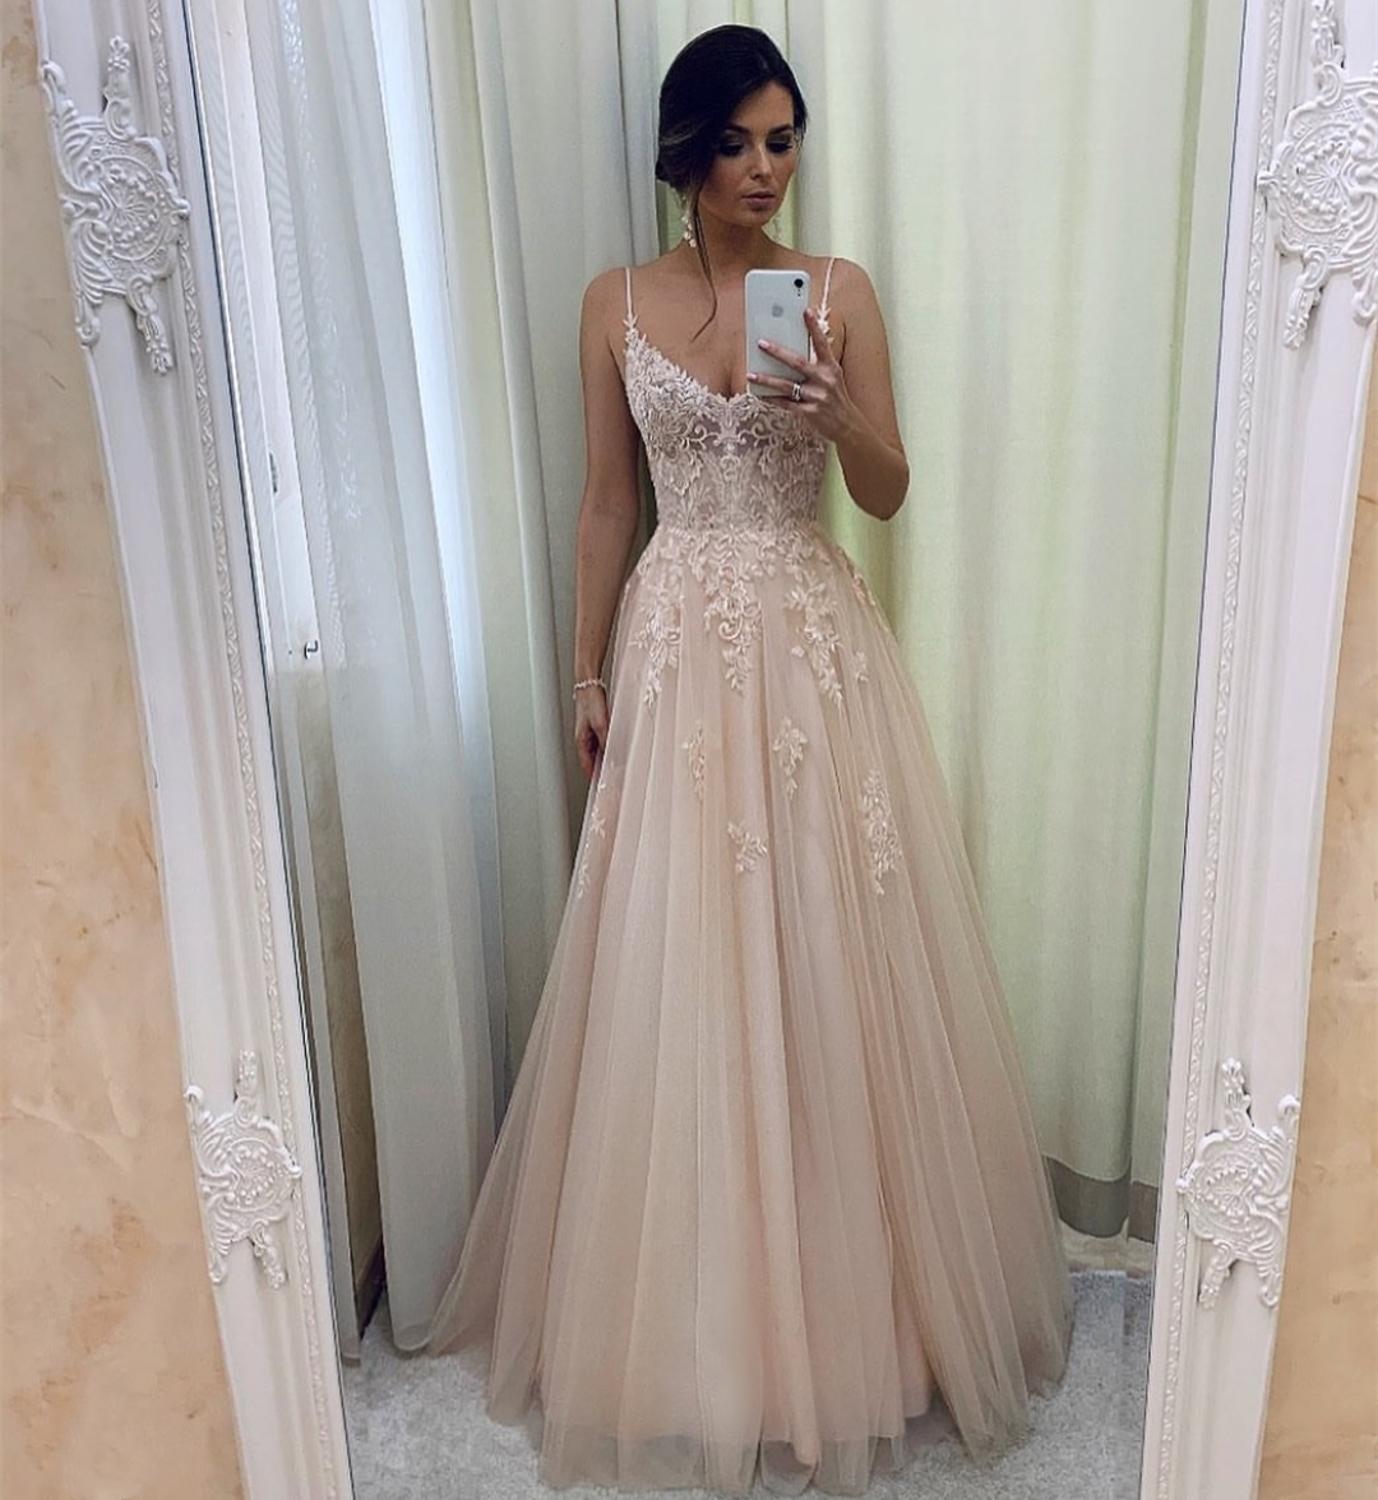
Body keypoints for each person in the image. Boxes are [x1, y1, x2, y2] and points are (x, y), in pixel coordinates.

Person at [427, 23, 1074, 1495]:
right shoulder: (611, 303)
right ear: (683, 153)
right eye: (734, 144)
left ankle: (852, 1323)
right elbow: (607, 501)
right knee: (683, 963)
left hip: (808, 642)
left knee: (831, 960)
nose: (764, 170)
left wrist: (842, 412)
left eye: (782, 141)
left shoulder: (835, 292)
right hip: (673, 647)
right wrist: (582, 666)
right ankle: (692, 1329)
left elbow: (888, 493)